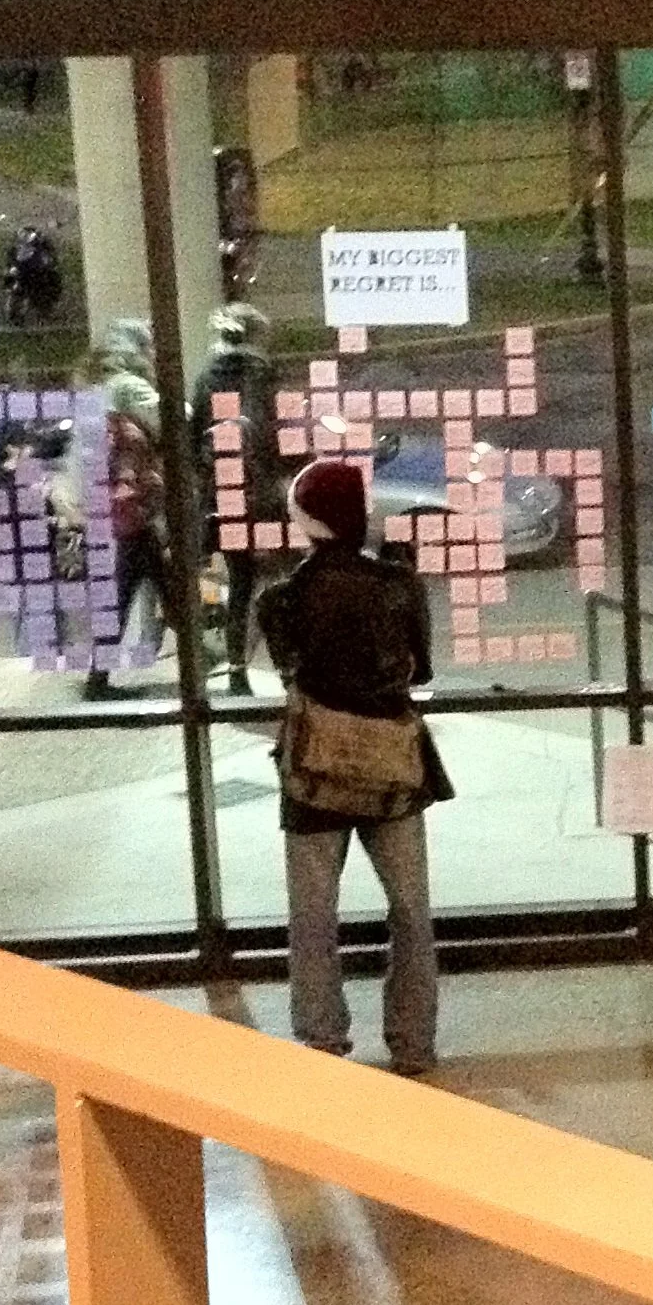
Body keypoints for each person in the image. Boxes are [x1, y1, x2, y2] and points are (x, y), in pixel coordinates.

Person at [257, 458, 449, 1076]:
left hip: (316, 771)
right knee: (411, 911)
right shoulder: (400, 585)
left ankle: (322, 1040)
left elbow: (290, 667)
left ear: (305, 519)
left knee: (313, 915)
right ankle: (413, 1043)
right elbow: (421, 671)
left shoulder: (281, 599)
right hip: (394, 770)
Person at [187, 304, 280, 693]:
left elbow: (193, 438)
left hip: (219, 490)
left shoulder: (206, 375)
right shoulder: (262, 373)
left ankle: (232, 666)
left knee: (227, 574)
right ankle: (270, 665)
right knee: (261, 581)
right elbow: (273, 432)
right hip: (257, 492)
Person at [84, 319, 170, 698]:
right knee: (139, 591)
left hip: (127, 514)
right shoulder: (123, 406)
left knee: (150, 589)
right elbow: (169, 422)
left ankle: (98, 678)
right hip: (133, 513)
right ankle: (97, 679)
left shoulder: (103, 405)